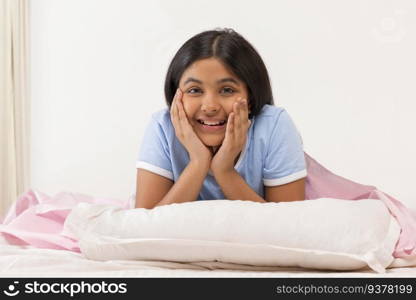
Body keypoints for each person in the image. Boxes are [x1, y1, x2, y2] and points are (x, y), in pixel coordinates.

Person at [135, 28, 307, 209]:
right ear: (177, 96)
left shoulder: (274, 126)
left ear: (251, 98)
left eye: (227, 90)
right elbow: (145, 225)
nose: (210, 107)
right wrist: (198, 162)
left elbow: (286, 228)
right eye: (194, 90)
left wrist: (224, 171)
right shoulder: (162, 127)